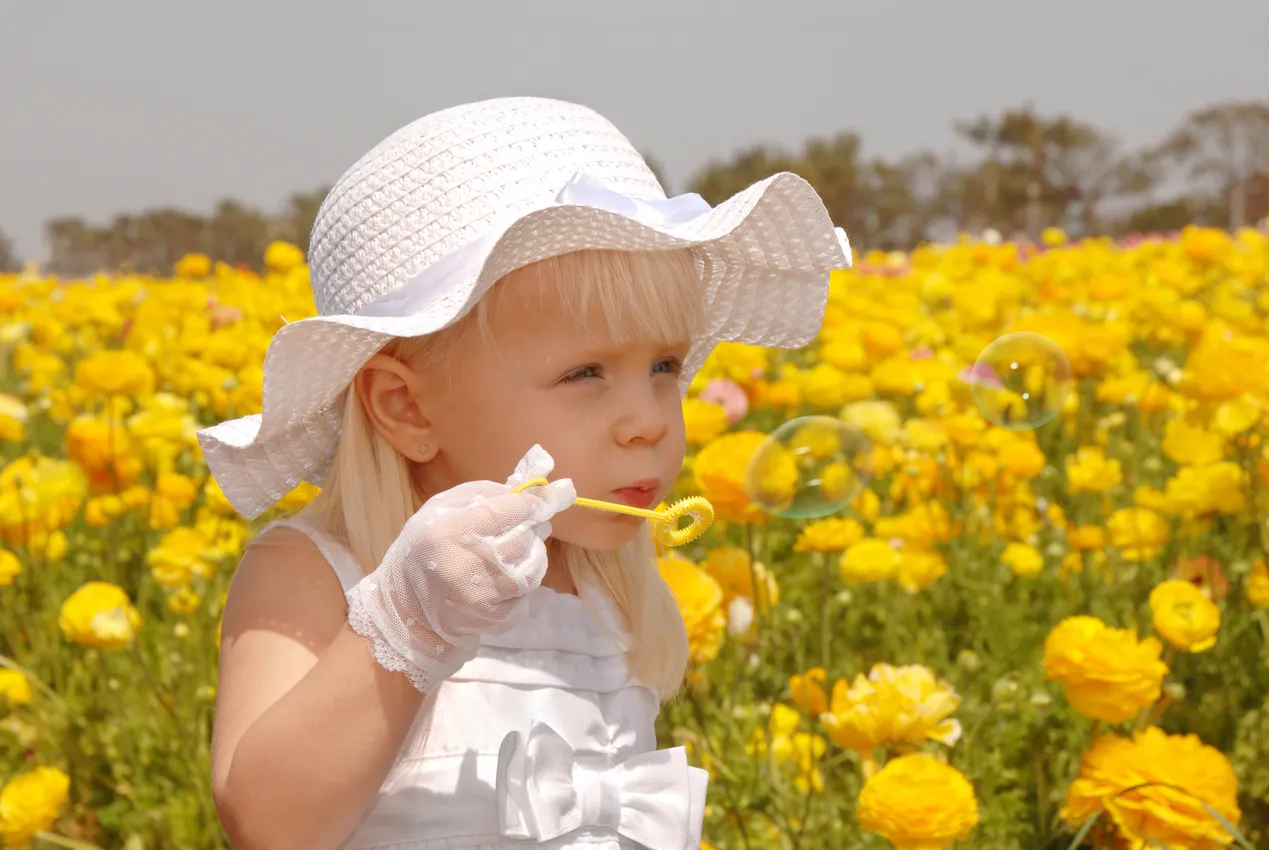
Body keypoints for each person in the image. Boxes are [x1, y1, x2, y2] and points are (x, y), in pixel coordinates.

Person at [200, 96, 850, 850]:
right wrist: (410, 622)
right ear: (409, 409)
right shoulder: (317, 574)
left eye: (664, 365)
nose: (648, 418)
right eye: (585, 373)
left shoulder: (598, 582)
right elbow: (267, 825)